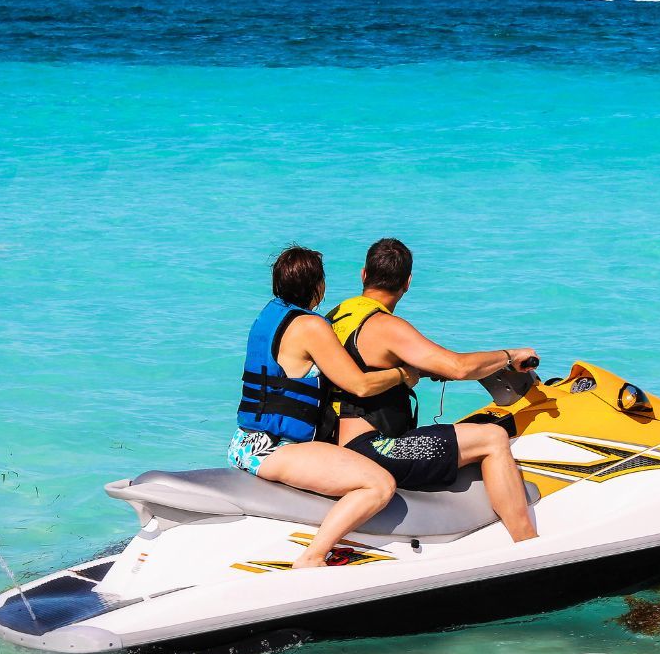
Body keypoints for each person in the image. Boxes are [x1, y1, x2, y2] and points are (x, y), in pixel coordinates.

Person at [327, 239, 538, 542]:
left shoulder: (337, 316)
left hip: (339, 442)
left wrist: (421, 371)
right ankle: (526, 542)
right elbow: (458, 367)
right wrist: (510, 355)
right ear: (408, 282)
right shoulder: (386, 326)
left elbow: (363, 366)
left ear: (363, 274)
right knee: (493, 437)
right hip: (373, 448)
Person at [229, 245, 420, 568]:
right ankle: (313, 556)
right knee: (378, 484)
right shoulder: (311, 326)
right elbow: (359, 384)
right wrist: (402, 374)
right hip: (274, 449)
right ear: (318, 287)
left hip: (246, 441)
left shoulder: (270, 316)